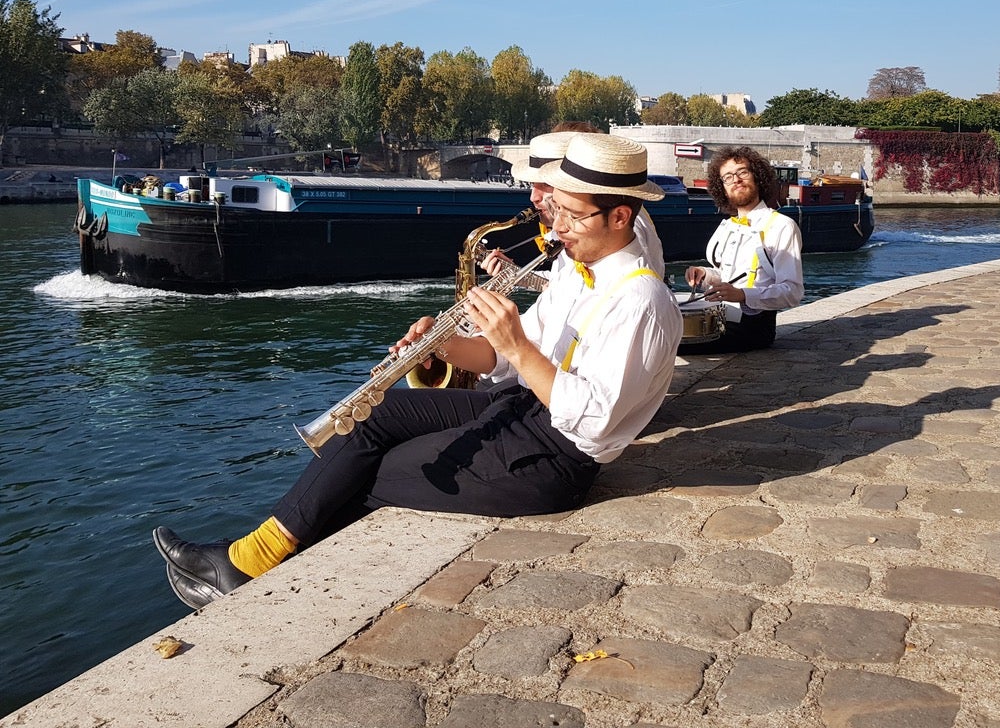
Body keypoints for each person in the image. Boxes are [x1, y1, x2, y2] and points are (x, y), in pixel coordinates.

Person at [153, 134, 682, 609]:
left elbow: (591, 420)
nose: (557, 226)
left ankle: (248, 564)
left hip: (553, 457)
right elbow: (499, 362)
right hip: (519, 407)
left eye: (572, 215)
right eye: (557, 210)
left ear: (620, 217)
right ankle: (249, 558)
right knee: (378, 413)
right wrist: (443, 347)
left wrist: (518, 346)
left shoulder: (642, 301)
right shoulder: (574, 268)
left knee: (373, 470)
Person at [486, 125, 664, 281]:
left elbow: (631, 288)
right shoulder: (584, 228)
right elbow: (567, 283)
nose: (533, 197)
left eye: (546, 184)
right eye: (532, 185)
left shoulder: (619, 226)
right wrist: (514, 276)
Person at [681, 146, 803, 354]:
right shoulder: (727, 226)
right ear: (722, 188)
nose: (736, 180)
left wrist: (742, 295)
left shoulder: (782, 226)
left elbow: (793, 292)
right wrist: (706, 275)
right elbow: (728, 275)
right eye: (727, 177)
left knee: (667, 344)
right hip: (720, 319)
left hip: (754, 328)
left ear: (758, 177)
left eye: (742, 172)